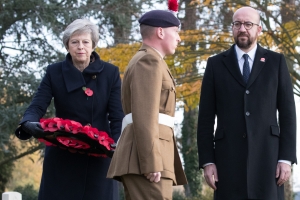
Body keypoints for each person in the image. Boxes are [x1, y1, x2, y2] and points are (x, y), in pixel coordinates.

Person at [15, 19, 124, 200]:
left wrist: (118, 144)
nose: (80, 47)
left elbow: (117, 115)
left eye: (85, 42)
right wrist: (28, 122)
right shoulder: (54, 72)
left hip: (99, 157)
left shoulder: (110, 73)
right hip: (62, 155)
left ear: (93, 45)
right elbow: (37, 105)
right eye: (74, 42)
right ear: (67, 45)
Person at [197, 6, 297, 200]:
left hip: (268, 160)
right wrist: (208, 161)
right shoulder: (215, 64)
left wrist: (286, 158)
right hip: (227, 160)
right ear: (232, 28)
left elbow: (288, 114)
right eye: (237, 24)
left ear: (259, 29)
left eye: (248, 24)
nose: (242, 28)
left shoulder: (276, 62)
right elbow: (206, 119)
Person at [107, 9, 187, 200]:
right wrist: (150, 162)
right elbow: (145, 115)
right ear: (160, 32)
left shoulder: (151, 60)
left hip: (149, 155)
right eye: (175, 31)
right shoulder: (149, 61)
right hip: (148, 158)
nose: (179, 38)